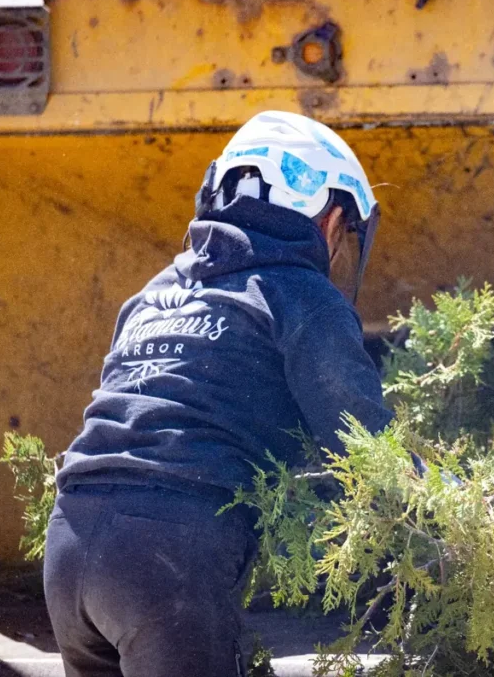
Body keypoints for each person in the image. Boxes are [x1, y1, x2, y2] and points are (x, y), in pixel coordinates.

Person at [43, 111, 392, 677]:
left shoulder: (153, 294)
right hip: (166, 557)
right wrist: (456, 506)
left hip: (69, 547)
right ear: (328, 218)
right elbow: (365, 447)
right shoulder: (301, 294)